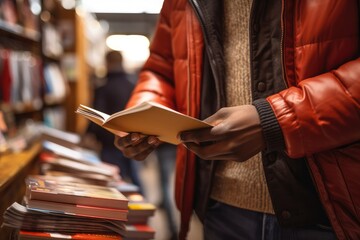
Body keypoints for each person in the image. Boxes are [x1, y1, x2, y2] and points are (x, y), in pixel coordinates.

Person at [114, 1, 360, 240]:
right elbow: (162, 68)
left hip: (331, 212)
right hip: (221, 210)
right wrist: (141, 113)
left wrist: (275, 120)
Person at [84, 50, 144, 193]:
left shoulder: (103, 88)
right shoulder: (133, 86)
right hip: (133, 139)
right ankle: (143, 210)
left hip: (109, 142)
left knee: (113, 183)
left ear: (107, 63)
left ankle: (122, 212)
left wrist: (88, 135)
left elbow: (97, 116)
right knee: (136, 179)